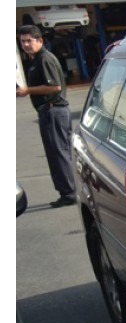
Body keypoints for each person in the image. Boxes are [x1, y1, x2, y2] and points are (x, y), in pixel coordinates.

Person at [16, 25, 76, 208]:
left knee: (59, 155)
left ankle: (69, 193)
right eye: (22, 41)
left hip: (53, 111)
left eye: (29, 41)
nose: (26, 44)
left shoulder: (44, 59)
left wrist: (27, 90)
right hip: (49, 112)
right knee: (57, 154)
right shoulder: (36, 60)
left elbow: (55, 87)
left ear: (40, 41)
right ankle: (67, 191)